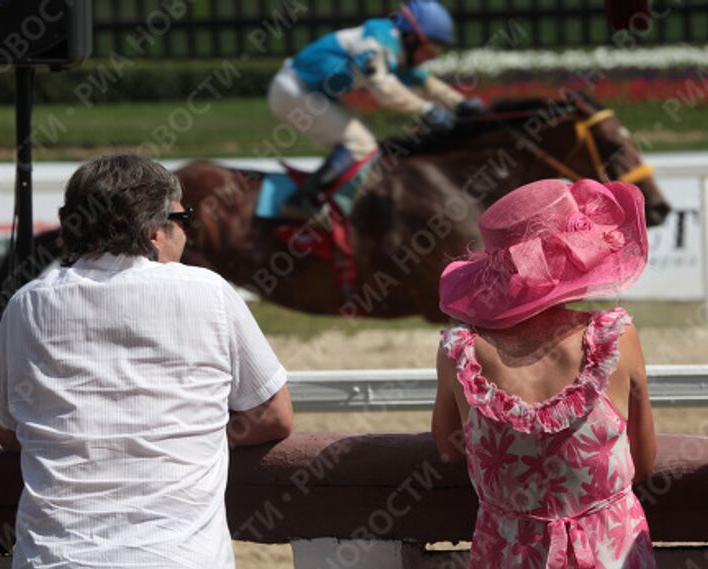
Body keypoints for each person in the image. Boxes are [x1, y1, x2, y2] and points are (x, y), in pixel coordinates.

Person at [0, 154, 294, 568]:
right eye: (184, 220)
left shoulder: (27, 305)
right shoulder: (208, 292)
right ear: (154, 231)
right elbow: (274, 415)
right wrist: (188, 430)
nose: (187, 234)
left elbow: (9, 431)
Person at [432, 178, 657, 567]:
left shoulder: (461, 353)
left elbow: (448, 448)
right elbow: (645, 460)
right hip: (612, 552)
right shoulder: (617, 338)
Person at [268, 0, 477, 218]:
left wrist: (460, 103)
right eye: (432, 47)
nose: (433, 55)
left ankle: (321, 200)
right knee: (360, 144)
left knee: (365, 144)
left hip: (309, 92)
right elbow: (383, 88)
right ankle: (302, 200)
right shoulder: (378, 43)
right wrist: (427, 110)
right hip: (294, 91)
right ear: (412, 37)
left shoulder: (393, 47)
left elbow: (424, 82)